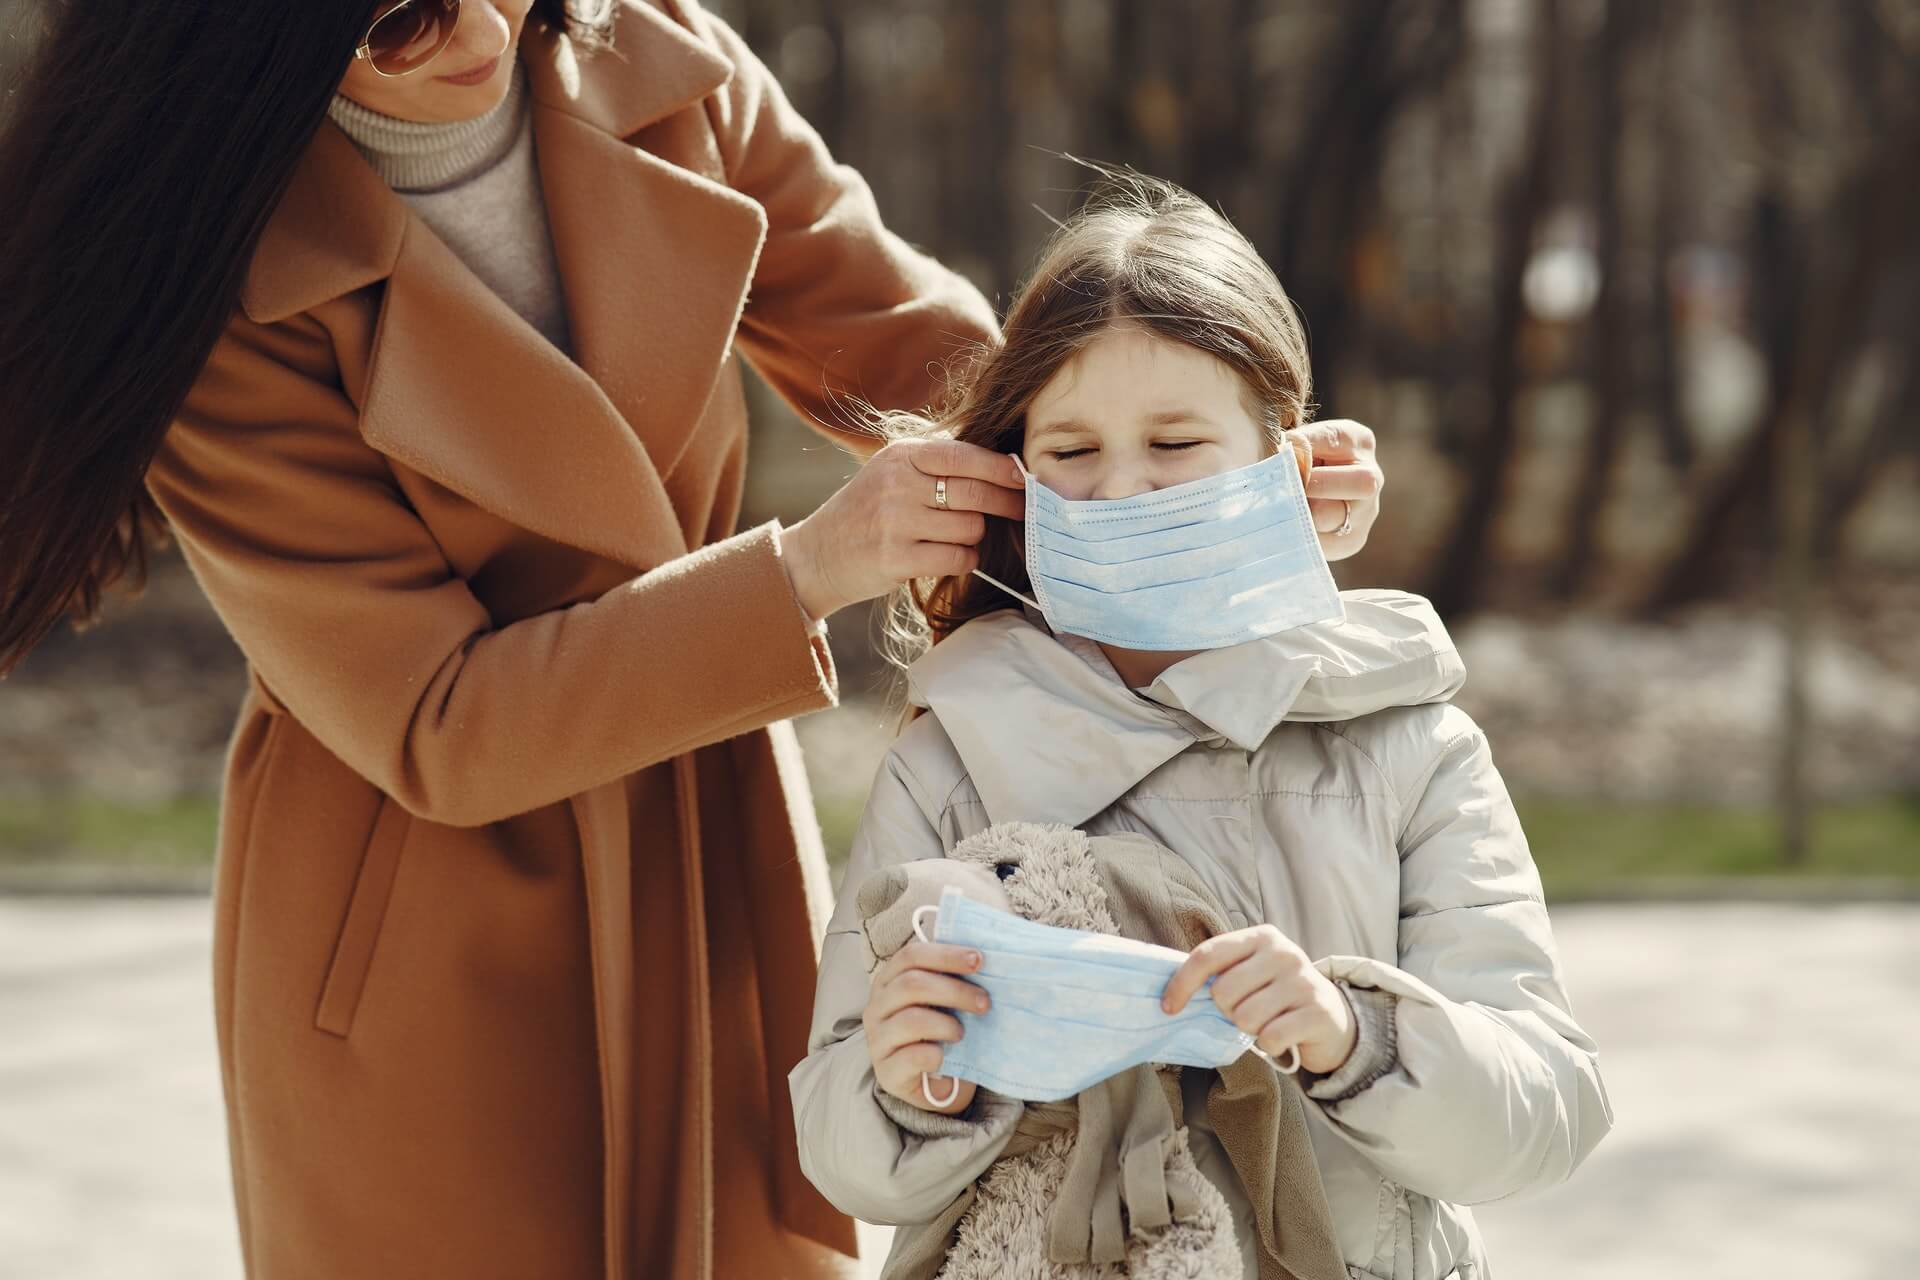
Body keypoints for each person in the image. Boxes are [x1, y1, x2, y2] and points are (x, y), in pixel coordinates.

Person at [0, 2, 1384, 1277]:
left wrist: (1235, 494)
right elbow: (438, 719)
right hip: (418, 930)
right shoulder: (207, 279)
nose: (479, 27)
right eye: (399, 15)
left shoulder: (661, 65)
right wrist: (802, 572)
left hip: (704, 850)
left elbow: (944, 370)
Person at [789, 176, 1612, 1280]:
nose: (1123, 489)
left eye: (1176, 443)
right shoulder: (951, 755)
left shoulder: (1411, 746)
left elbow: (1549, 1108)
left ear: (1285, 463)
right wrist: (911, 1079)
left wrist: (1349, 1036)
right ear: (1019, 477)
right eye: (1072, 453)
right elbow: (843, 1152)